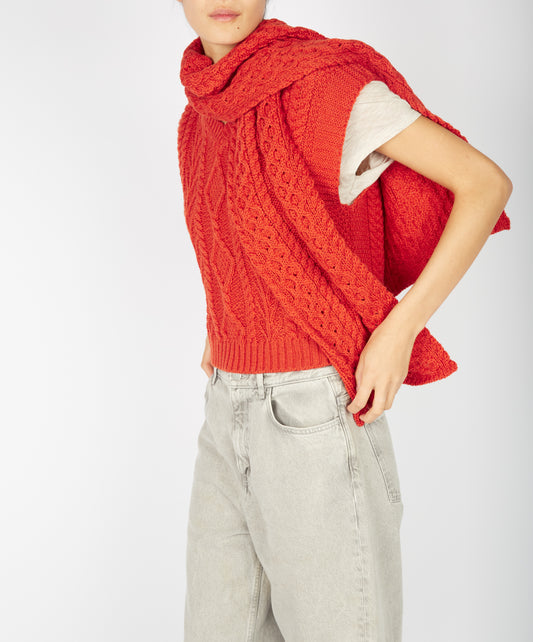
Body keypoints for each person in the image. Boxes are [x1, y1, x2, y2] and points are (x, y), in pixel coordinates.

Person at [176, 1, 513, 640]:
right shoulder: (200, 115)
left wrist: (399, 329)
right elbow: (246, 237)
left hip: (313, 415)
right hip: (224, 411)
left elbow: (484, 184)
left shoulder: (319, 84)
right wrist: (225, 324)